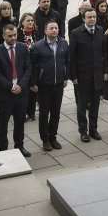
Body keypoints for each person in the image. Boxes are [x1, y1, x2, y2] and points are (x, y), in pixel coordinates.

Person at [0, 25, 31, 157]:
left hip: (21, 92)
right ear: (3, 36)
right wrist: (10, 86)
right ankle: (2, 149)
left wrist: (21, 85)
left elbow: (28, 69)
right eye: (10, 36)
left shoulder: (22, 47)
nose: (13, 38)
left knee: (20, 121)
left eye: (14, 35)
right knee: (3, 123)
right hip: (5, 94)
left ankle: (19, 146)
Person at [30, 20, 69, 151]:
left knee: (56, 113)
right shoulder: (37, 46)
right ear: (45, 31)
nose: (54, 30)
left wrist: (65, 77)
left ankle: (53, 137)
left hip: (58, 84)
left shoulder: (63, 43)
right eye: (51, 28)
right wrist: (33, 83)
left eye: (56, 28)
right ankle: (45, 139)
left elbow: (66, 62)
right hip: (44, 85)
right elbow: (33, 66)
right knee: (44, 112)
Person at [68, 9, 103, 142]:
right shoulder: (76, 33)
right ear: (84, 19)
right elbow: (72, 57)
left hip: (97, 75)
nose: (92, 19)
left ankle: (93, 129)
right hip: (82, 76)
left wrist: (104, 71)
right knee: (82, 106)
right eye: (89, 17)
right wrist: (73, 76)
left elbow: (103, 53)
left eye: (94, 17)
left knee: (95, 104)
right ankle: (83, 131)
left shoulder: (100, 31)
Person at [17, 13, 39, 121]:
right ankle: (23, 111)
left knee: (34, 88)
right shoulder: (18, 34)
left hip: (35, 65)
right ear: (22, 23)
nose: (30, 23)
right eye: (28, 21)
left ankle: (31, 112)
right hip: (22, 66)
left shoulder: (37, 33)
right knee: (24, 89)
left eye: (32, 21)